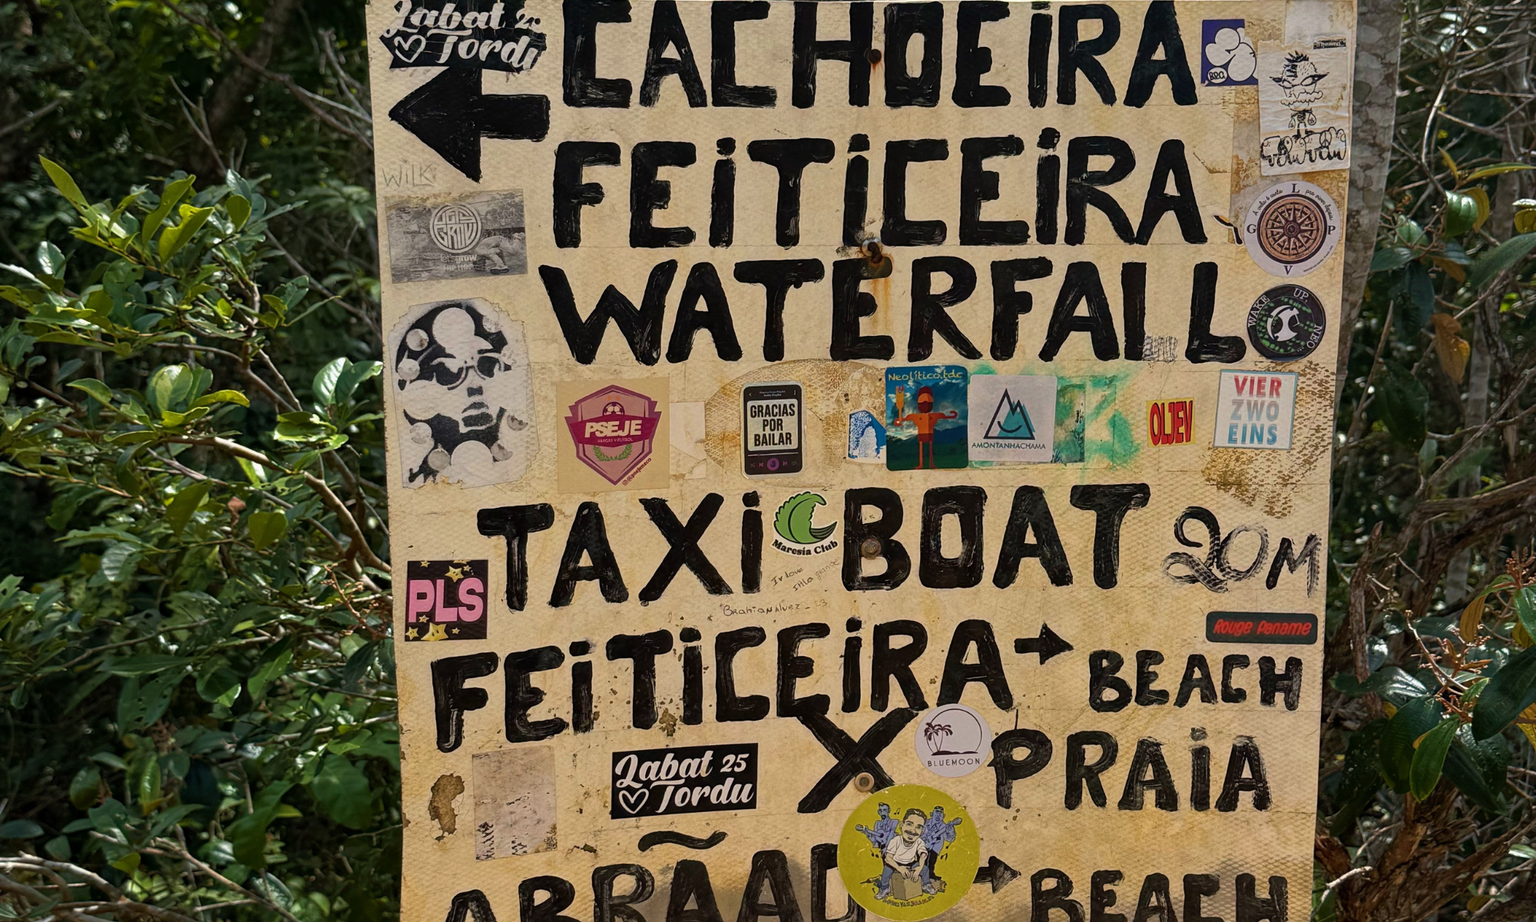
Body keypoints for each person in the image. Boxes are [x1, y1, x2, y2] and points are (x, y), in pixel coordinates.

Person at [876, 809, 935, 900]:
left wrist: (919, 868)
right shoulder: (895, 841)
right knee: (886, 871)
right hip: (895, 862)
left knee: (925, 869)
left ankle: (926, 884)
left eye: (918, 827)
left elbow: (923, 855)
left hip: (910, 862)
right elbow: (888, 858)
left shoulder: (919, 842)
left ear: (922, 832)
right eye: (909, 824)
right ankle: (884, 888)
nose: (913, 830)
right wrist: (899, 868)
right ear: (901, 826)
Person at [894, 386, 958, 469]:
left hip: (930, 433)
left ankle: (931, 464)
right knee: (921, 449)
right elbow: (902, 419)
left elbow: (946, 416)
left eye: (928, 402)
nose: (925, 404)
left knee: (930, 448)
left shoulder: (933, 415)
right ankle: (921, 464)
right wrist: (898, 419)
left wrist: (952, 415)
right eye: (922, 402)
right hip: (921, 434)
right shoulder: (915, 416)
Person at [921, 806, 962, 887]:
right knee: (922, 862)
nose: (938, 816)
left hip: (935, 849)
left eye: (940, 815)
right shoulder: (925, 823)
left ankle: (930, 876)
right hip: (922, 846)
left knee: (931, 862)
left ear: (943, 816)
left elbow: (950, 839)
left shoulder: (944, 826)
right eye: (936, 813)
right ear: (931, 814)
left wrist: (951, 830)